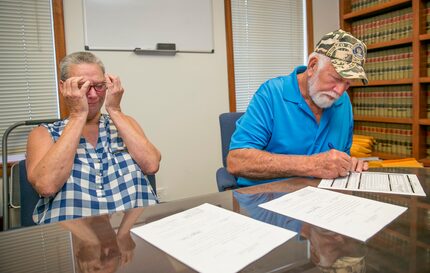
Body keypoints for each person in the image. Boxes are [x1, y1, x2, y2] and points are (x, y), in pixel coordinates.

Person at [26, 51, 161, 224]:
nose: (93, 95)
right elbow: (46, 186)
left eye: (98, 86)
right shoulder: (43, 133)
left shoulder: (124, 123)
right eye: (82, 86)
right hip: (74, 238)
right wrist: (77, 115)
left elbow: (151, 165)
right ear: (63, 87)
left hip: (133, 230)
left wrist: (115, 110)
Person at [227, 29, 369, 187]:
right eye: (336, 78)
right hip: (265, 198)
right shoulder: (271, 94)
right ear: (312, 65)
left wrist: (348, 164)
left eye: (348, 83)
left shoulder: (344, 103)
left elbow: (340, 157)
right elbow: (237, 161)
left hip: (321, 201)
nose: (340, 91)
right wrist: (312, 165)